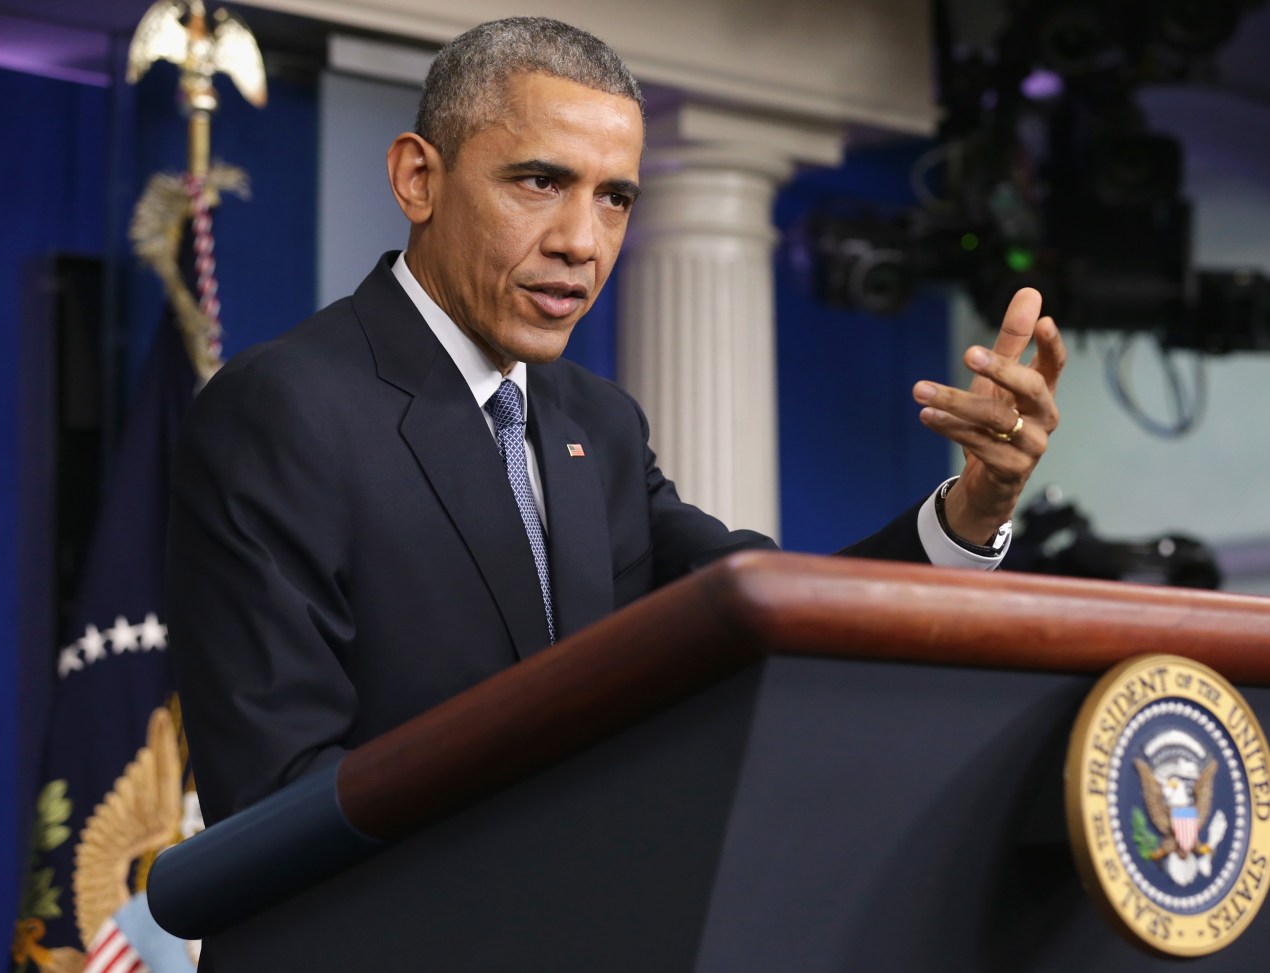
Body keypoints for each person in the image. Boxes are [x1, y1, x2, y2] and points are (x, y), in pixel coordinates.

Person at [165, 16, 1066, 824]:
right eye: (539, 181)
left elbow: (773, 611)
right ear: (417, 179)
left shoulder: (598, 423)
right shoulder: (283, 409)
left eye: (615, 197)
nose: (582, 241)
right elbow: (279, 796)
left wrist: (971, 514)